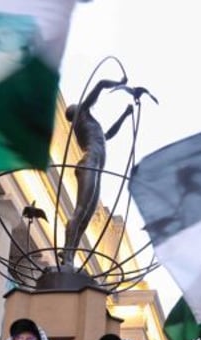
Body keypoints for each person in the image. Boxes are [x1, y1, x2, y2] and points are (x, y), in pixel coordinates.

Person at [62, 77, 134, 266]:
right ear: (77, 111)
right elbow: (101, 83)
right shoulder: (83, 115)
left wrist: (125, 116)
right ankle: (66, 252)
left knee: (85, 218)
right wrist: (119, 83)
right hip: (89, 164)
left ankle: (69, 256)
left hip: (96, 168)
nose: (84, 105)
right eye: (80, 105)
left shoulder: (91, 127)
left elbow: (108, 135)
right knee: (80, 211)